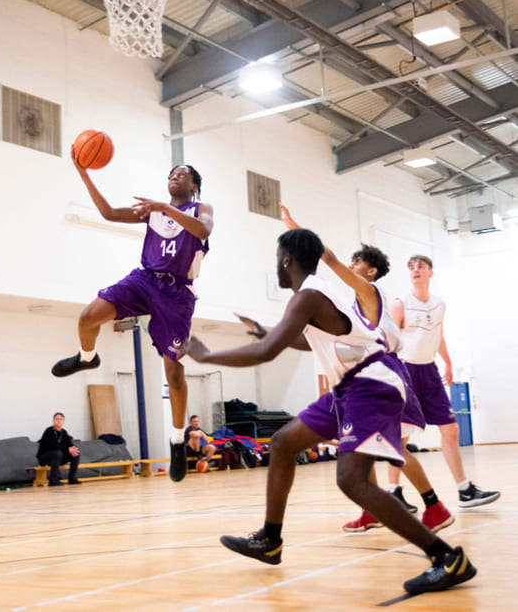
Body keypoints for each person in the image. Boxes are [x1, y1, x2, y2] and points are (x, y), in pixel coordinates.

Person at [183, 228, 476, 595]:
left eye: (278, 257)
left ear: (287, 259)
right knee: (284, 442)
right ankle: (269, 540)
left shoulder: (309, 295)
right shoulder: (320, 295)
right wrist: (269, 333)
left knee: (351, 480)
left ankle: (447, 558)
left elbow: (265, 354)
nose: (277, 263)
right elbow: (323, 340)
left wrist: (206, 356)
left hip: (372, 385)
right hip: (350, 386)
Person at [280, 205, 454, 533]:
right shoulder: (354, 306)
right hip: (368, 377)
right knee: (363, 446)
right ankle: (372, 511)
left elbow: (327, 258)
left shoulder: (370, 291)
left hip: (387, 374)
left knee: (396, 448)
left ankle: (435, 507)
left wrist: (297, 230)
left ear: (371, 271)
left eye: (356, 262)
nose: (350, 265)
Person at [51, 150, 213, 483]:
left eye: (182, 174)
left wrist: (164, 208)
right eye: (171, 173)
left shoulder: (199, 209)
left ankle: (179, 439)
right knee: (87, 316)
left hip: (177, 292)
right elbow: (109, 212)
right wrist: (84, 173)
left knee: (174, 371)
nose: (174, 176)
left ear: (194, 184)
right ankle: (87, 357)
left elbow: (203, 231)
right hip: (144, 279)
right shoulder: (153, 212)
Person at [389, 255, 500, 508]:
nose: (416, 270)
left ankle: (465, 490)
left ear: (430, 273)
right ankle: (394, 492)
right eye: (412, 267)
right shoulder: (401, 303)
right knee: (402, 436)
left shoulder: (439, 304)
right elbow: (390, 342)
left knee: (450, 429)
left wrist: (448, 362)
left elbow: (438, 336)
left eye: (421, 267)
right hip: (405, 371)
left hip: (429, 371)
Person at [36, 412, 81, 486]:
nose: (59, 421)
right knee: (57, 453)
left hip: (58, 457)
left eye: (61, 419)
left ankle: (72, 478)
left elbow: (69, 443)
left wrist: (73, 448)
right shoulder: (49, 431)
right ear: (53, 420)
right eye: (57, 419)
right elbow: (52, 446)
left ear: (63, 421)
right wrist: (67, 449)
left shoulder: (64, 432)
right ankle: (53, 480)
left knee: (76, 454)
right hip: (45, 457)